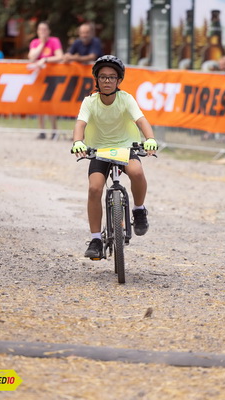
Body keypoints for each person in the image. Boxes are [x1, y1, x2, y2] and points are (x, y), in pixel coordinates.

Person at [70, 55, 157, 259]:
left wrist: (150, 139)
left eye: (112, 77)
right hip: (99, 150)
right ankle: (95, 239)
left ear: (119, 81)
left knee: (137, 172)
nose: (107, 81)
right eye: (103, 77)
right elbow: (80, 124)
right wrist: (78, 142)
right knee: (94, 188)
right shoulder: (89, 102)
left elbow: (141, 120)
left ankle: (139, 209)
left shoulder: (126, 99)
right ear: (97, 80)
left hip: (125, 147)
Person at [28, 21, 64, 140]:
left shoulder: (54, 41)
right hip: (38, 78)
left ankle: (54, 130)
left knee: (51, 103)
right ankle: (41, 130)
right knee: (39, 103)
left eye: (45, 29)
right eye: (40, 29)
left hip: (52, 78)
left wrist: (46, 60)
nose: (42, 32)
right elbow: (32, 57)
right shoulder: (34, 42)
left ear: (49, 31)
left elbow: (60, 56)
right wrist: (42, 44)